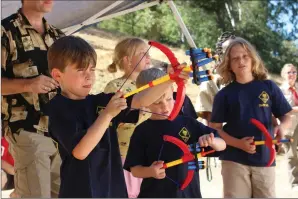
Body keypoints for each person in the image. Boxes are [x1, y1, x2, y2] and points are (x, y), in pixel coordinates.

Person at [46, 35, 190, 198]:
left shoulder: (98, 101)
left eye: (92, 69)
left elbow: (141, 100)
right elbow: (81, 151)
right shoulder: (57, 108)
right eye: (81, 70)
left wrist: (170, 80)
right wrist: (107, 115)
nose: (89, 76)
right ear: (57, 75)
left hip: (112, 189)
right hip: (81, 191)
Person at [104, 38, 197, 198]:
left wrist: (173, 79)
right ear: (127, 60)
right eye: (143, 54)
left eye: (148, 54)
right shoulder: (115, 86)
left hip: (154, 150)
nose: (148, 58)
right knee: (128, 192)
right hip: (125, 153)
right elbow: (117, 114)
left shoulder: (156, 83)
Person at [124, 68, 226, 198]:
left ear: (173, 90)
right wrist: (150, 171)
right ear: (144, 100)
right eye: (157, 103)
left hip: (189, 194)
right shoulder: (142, 131)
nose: (165, 106)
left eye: (168, 99)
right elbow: (135, 169)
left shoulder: (188, 123)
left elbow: (222, 144)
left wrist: (212, 141)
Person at [210, 37, 292, 197]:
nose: (241, 61)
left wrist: (281, 128)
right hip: (234, 160)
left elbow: (286, 115)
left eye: (245, 56)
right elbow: (215, 129)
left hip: (265, 159)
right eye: (235, 58)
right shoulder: (223, 95)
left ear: (253, 59)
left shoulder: (269, 87)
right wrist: (238, 144)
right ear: (229, 65)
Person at [1, 0, 64, 197]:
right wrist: (28, 85)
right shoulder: (5, 32)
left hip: (61, 132)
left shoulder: (58, 36)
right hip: (27, 128)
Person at [195, 32, 235, 125]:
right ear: (220, 56)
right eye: (228, 53)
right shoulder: (211, 83)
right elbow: (209, 122)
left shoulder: (251, 81)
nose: (234, 56)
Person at [279, 63, 298, 190]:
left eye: (294, 72)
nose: (292, 75)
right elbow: (281, 110)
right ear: (283, 75)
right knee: (291, 154)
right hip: (289, 126)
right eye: (289, 72)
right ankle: (295, 183)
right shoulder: (280, 91)